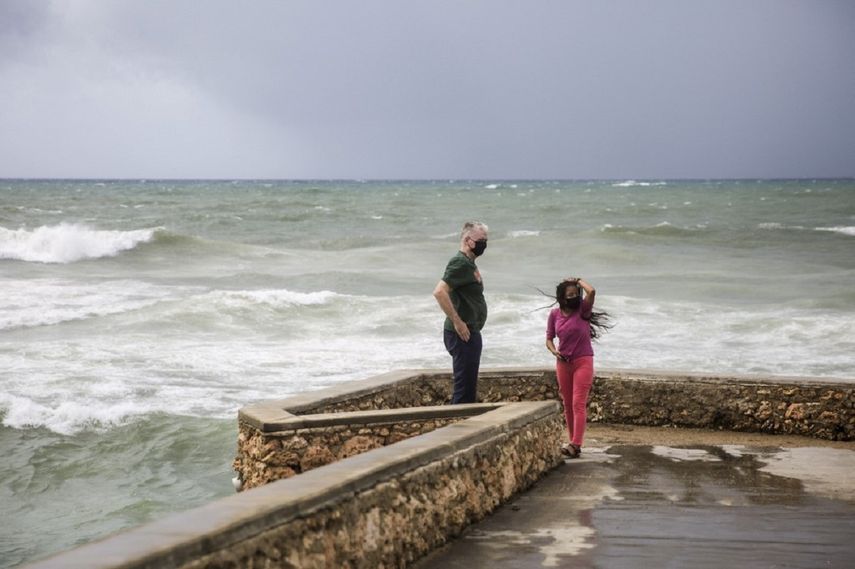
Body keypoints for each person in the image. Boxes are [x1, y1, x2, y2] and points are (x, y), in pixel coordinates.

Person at [545, 277, 610, 458]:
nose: (574, 297)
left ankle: (575, 443)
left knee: (577, 403)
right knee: (567, 404)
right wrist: (554, 352)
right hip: (563, 363)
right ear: (562, 298)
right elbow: (549, 339)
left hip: (583, 361)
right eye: (570, 295)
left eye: (576, 294)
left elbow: (592, 292)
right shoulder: (554, 314)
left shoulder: (583, 309)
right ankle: (573, 442)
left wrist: (579, 280)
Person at [433, 221, 489, 404]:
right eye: (481, 240)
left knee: (468, 387)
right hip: (462, 334)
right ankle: (457, 428)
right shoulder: (460, 262)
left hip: (471, 332)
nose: (484, 244)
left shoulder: (469, 263)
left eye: (486, 240)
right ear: (467, 240)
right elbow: (440, 292)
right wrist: (458, 322)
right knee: (464, 392)